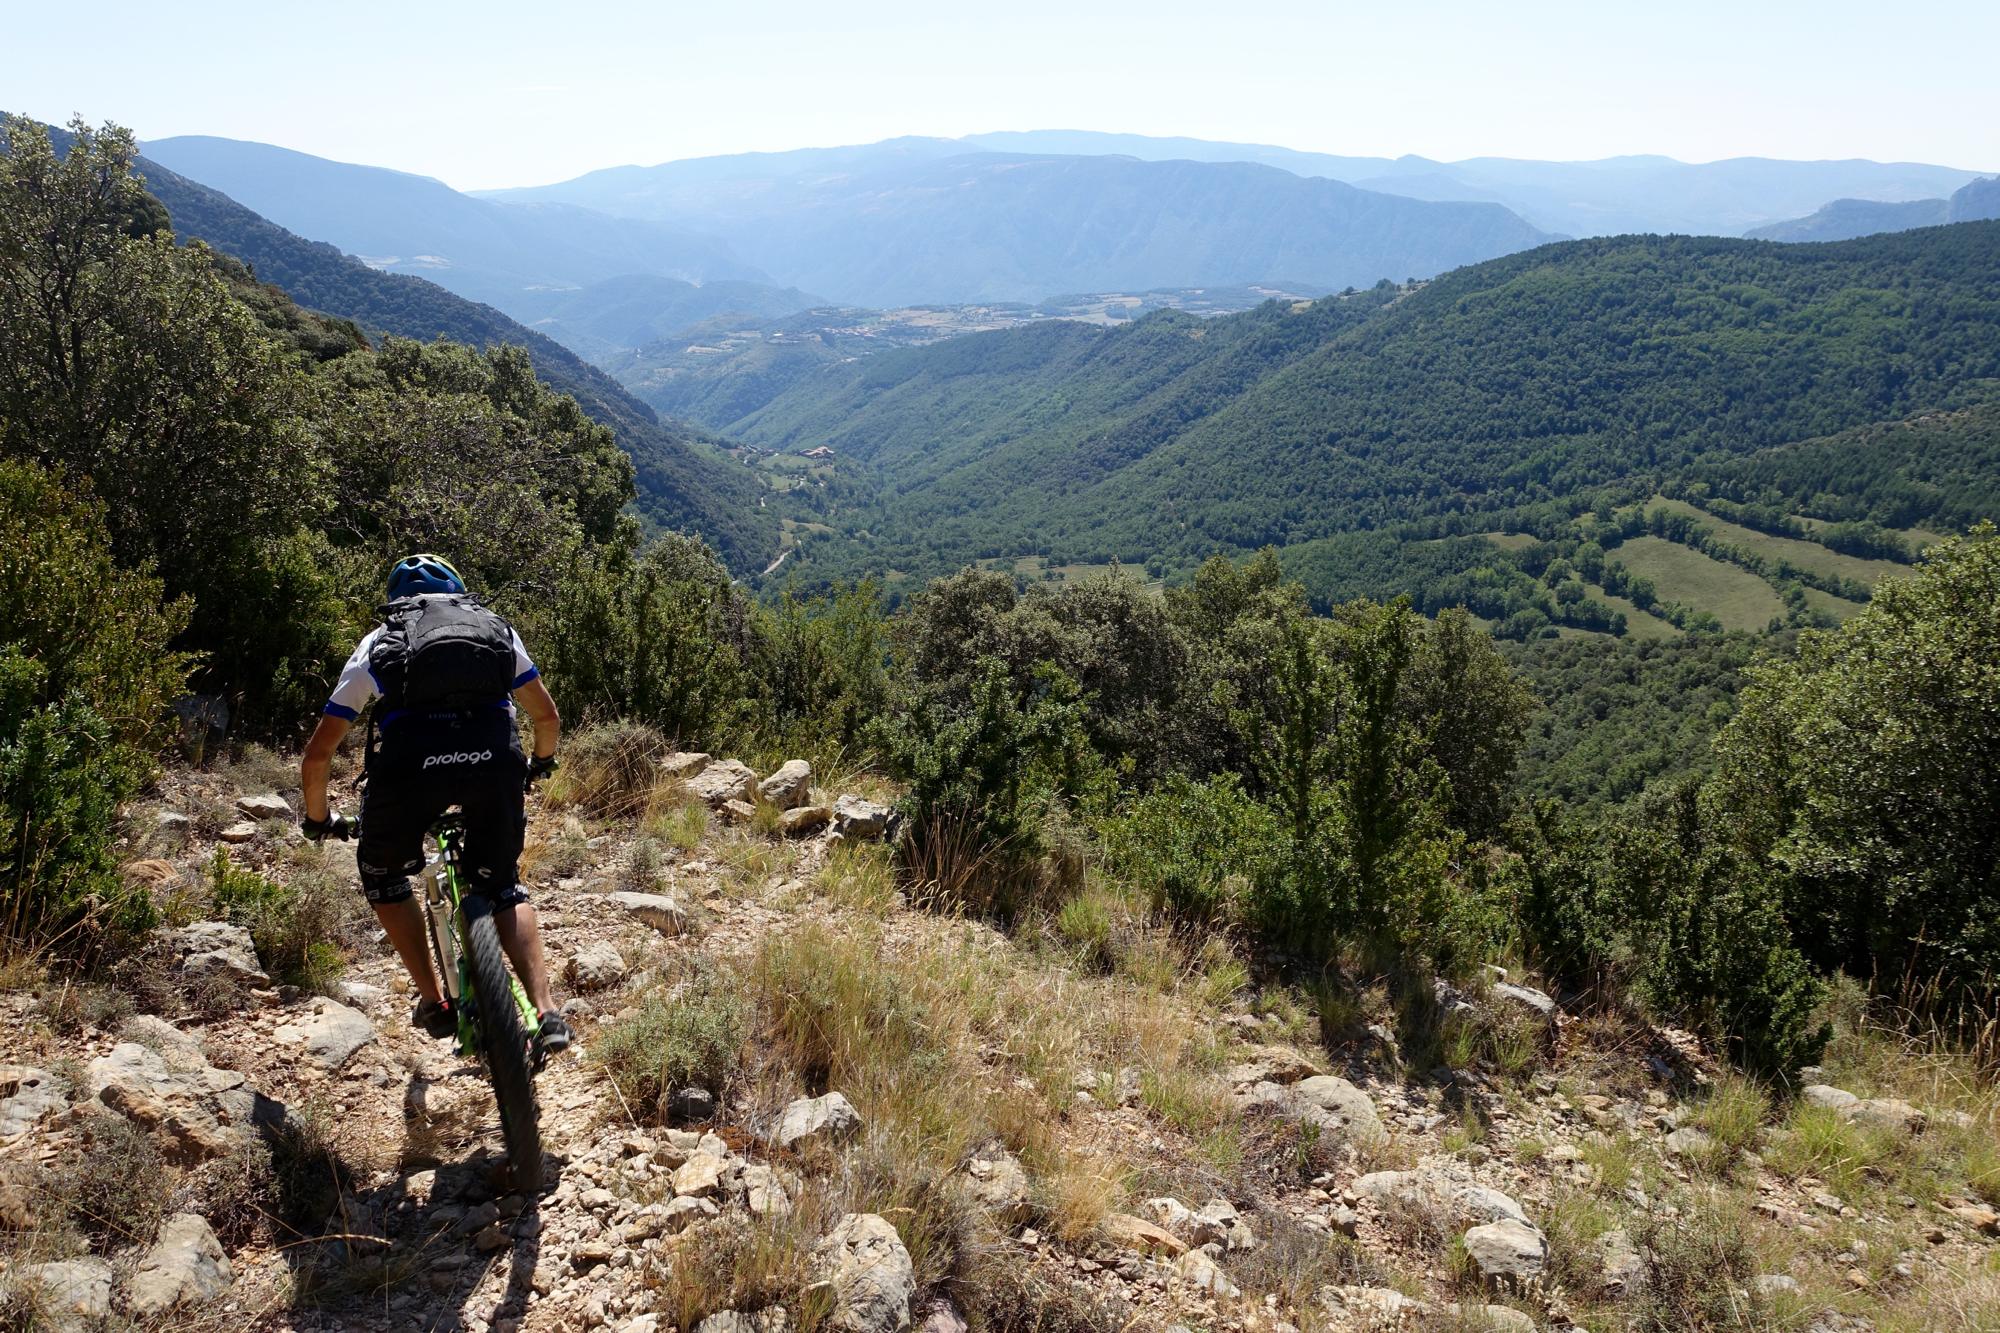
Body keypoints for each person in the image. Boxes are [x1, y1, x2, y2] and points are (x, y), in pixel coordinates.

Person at [297, 553, 571, 1055]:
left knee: (385, 877)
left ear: (397, 600)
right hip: (492, 761)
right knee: (505, 885)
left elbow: (318, 756)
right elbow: (546, 717)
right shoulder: (495, 631)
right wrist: (540, 763)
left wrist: (318, 819)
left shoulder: (380, 642)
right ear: (459, 591)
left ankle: (434, 1001)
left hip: (409, 774)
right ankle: (548, 1010)